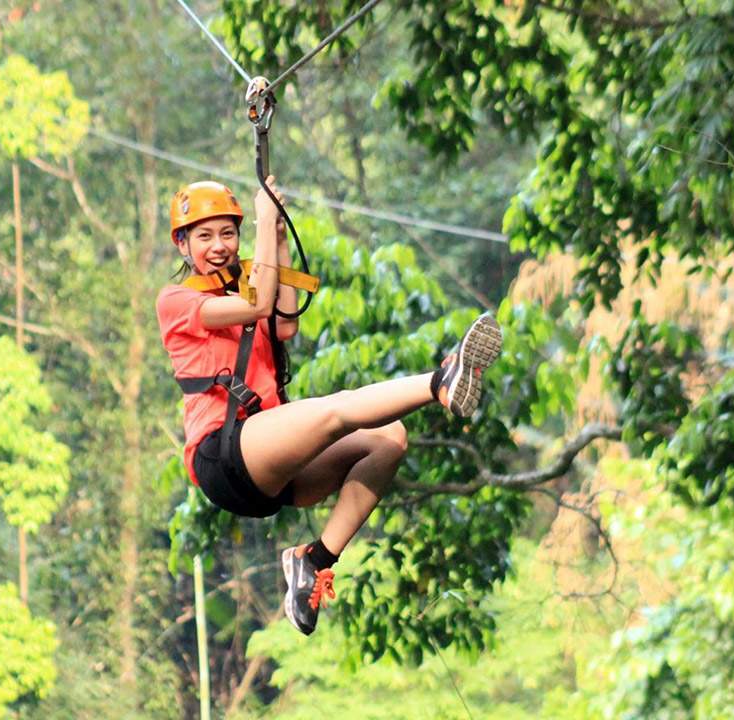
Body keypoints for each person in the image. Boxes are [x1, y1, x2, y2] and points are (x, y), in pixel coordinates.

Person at [155, 178, 501, 635]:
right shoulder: (177, 301)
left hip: (271, 465)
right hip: (224, 454)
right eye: (204, 236)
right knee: (335, 411)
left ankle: (314, 561)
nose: (219, 247)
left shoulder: (245, 281)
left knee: (390, 440)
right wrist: (264, 215)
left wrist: (276, 238)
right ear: (183, 244)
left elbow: (282, 326)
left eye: (227, 234)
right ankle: (441, 380)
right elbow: (256, 307)